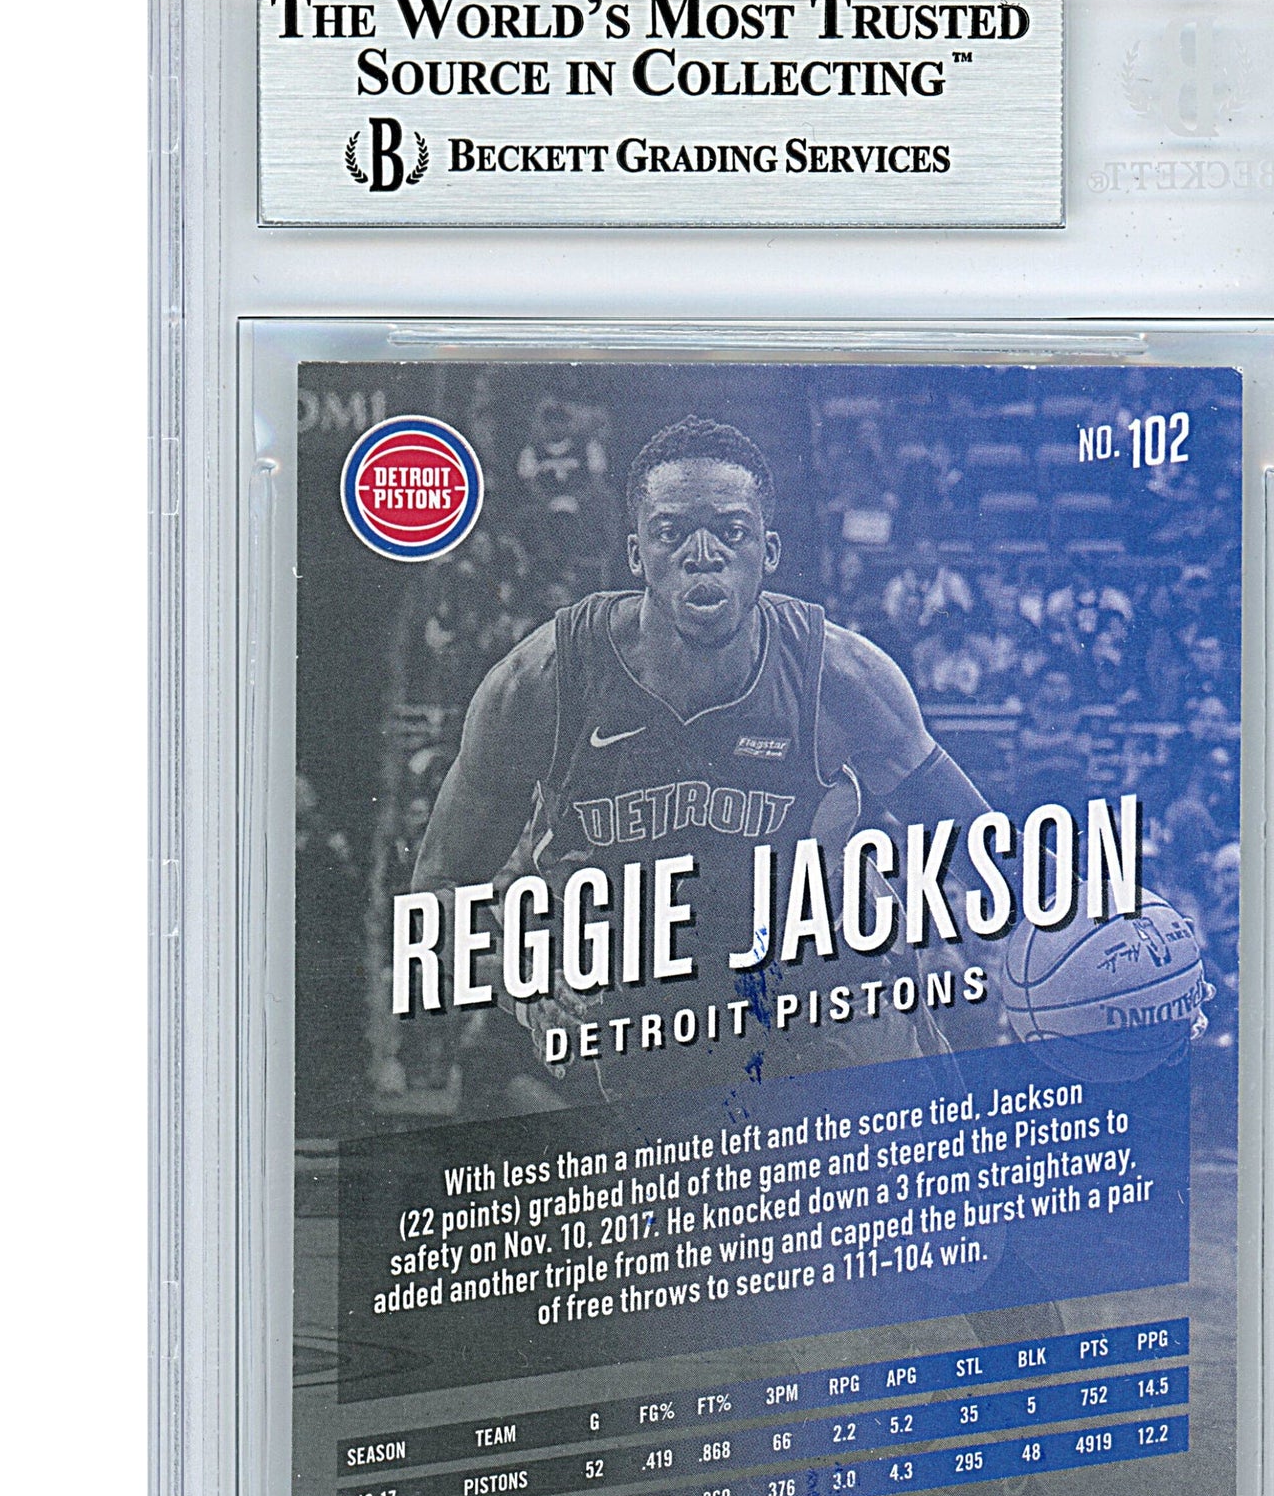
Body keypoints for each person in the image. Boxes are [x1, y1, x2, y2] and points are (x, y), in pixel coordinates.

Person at [410, 415, 997, 1098]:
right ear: (636, 555)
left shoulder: (838, 674)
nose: (702, 553)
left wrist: (1072, 929)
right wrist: (524, 975)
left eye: (731, 531)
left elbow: (990, 853)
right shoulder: (544, 681)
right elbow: (437, 890)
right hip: (648, 1001)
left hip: (819, 981)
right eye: (671, 532)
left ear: (768, 551)